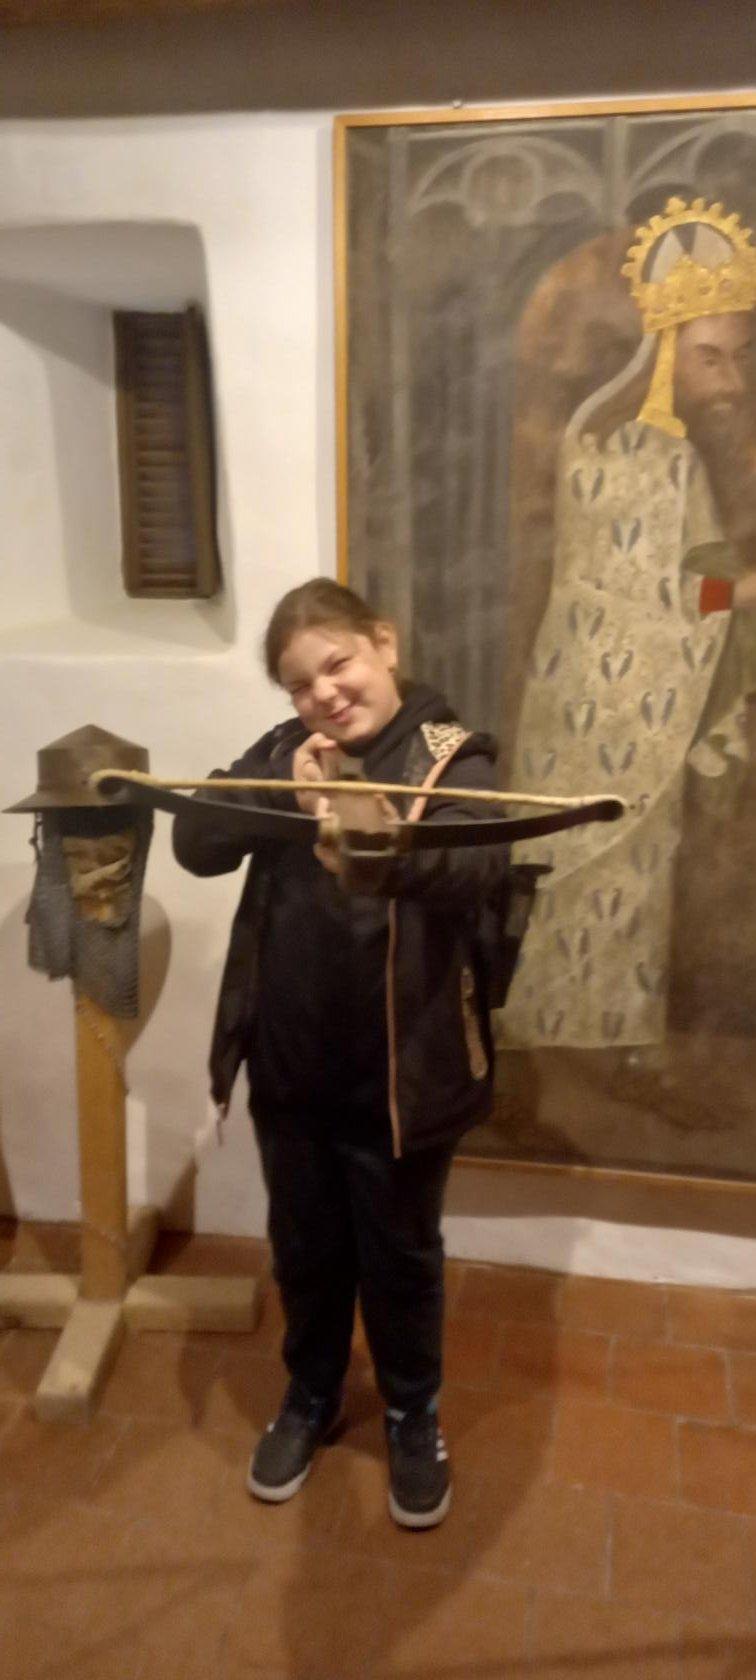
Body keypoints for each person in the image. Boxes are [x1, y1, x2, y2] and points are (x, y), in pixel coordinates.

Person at [172, 578, 511, 1528]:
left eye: (337, 663)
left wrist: (373, 840)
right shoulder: (285, 751)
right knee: (306, 1249)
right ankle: (312, 1394)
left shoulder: (455, 755)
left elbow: (476, 861)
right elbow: (196, 840)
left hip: (403, 1076)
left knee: (400, 1255)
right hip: (290, 1066)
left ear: (383, 645)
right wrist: (284, 794)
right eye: (299, 682)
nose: (323, 692)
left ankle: (410, 1413)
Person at [501, 198, 756, 1065]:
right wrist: (744, 593)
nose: (731, 381)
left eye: (740, 358)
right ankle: (568, 1054)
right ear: (666, 350)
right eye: (711, 357)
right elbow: (647, 599)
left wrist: (726, 588)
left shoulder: (666, 450)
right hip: (602, 713)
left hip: (631, 709)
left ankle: (616, 1048)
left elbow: (683, 574)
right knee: (593, 883)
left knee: (634, 888)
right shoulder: (626, 450)